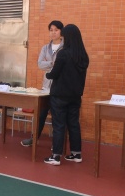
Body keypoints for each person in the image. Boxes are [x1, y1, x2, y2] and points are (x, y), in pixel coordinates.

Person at [44, 24, 89, 166]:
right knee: (74, 124)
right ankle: (76, 154)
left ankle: (56, 156)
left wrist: (47, 74)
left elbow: (54, 73)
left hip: (60, 95)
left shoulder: (63, 54)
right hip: (75, 96)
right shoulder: (83, 56)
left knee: (59, 125)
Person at [22, 20, 64, 147]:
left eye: (56, 30)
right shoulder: (45, 48)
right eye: (51, 30)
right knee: (40, 114)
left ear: (61, 31)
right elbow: (40, 64)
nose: (53, 32)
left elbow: (64, 66)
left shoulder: (65, 47)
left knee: (57, 117)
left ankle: (57, 145)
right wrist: (52, 63)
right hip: (46, 87)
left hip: (60, 87)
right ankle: (34, 138)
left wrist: (50, 64)